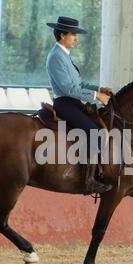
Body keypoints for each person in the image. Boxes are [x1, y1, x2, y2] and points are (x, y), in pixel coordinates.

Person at [46, 16, 113, 194]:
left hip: (73, 102)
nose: (76, 39)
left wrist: (99, 88)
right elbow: (69, 88)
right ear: (62, 35)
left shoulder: (64, 56)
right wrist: (95, 96)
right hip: (65, 103)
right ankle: (89, 180)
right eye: (73, 35)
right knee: (95, 132)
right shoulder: (56, 57)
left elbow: (79, 84)